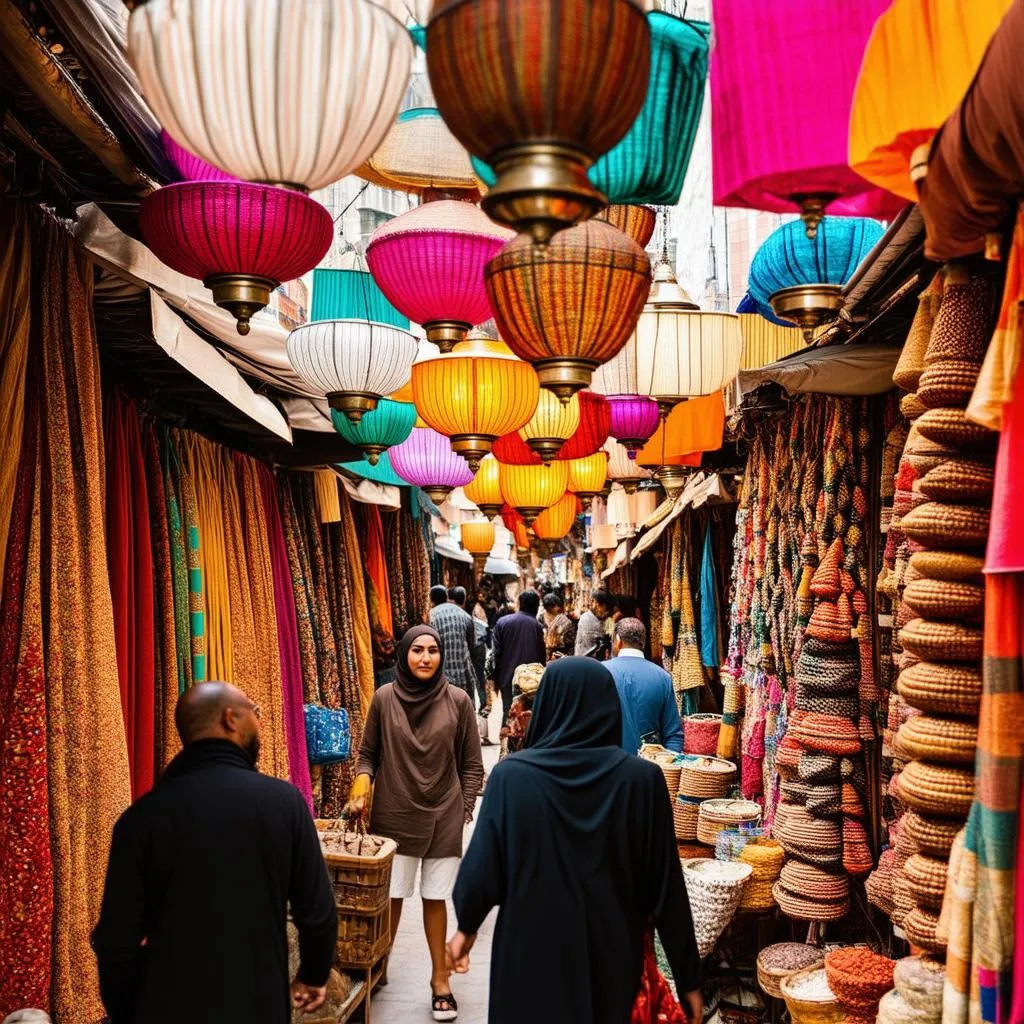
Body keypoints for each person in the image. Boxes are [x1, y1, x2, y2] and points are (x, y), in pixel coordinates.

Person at [447, 658, 702, 1024]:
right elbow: (667, 890)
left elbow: (478, 877)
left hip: (528, 960)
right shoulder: (642, 781)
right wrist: (689, 979)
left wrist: (466, 930)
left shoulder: (512, 779)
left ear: (548, 704)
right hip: (613, 959)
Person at [92, 682, 337, 1024]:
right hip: (257, 1005)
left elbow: (115, 942)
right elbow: (318, 913)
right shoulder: (283, 804)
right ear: (230, 719)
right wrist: (313, 974)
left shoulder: (141, 819)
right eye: (256, 712)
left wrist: (129, 1011)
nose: (259, 722)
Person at [347, 625, 483, 1022]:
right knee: (390, 900)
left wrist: (465, 809)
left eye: (433, 651)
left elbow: (472, 765)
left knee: (435, 898)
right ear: (405, 654)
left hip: (444, 815)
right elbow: (368, 754)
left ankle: (441, 980)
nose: (425, 658)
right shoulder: (384, 698)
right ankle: (377, 967)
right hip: (393, 813)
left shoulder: (458, 701)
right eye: (417, 650)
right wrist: (361, 786)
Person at [604, 618, 684, 755]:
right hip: (648, 768)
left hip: (607, 766)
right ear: (644, 643)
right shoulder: (663, 677)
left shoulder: (600, 672)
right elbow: (674, 736)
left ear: (618, 641)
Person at [491, 589, 546, 726]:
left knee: (509, 713)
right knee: (528, 718)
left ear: (520, 604)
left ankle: (507, 745)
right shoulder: (536, 626)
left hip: (507, 678)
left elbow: (495, 655)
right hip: (531, 683)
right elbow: (541, 656)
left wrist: (495, 681)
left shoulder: (502, 623)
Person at [428, 584, 478, 702]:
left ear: (431, 599)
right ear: (446, 597)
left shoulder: (431, 616)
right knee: (465, 712)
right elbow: (472, 646)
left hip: (442, 677)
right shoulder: (465, 615)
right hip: (464, 674)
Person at [575, 589, 616, 658]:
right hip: (586, 660)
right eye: (606, 609)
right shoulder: (586, 619)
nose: (607, 613)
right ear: (597, 604)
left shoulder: (606, 619)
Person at [542, 591, 576, 660]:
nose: (557, 608)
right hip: (544, 655)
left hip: (560, 655)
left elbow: (571, 643)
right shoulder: (541, 618)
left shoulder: (565, 621)